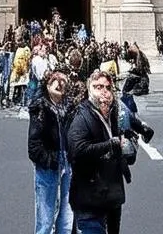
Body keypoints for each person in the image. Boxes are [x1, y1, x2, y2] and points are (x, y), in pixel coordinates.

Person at [67, 71, 128, 234]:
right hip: (90, 196)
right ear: (89, 90)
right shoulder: (82, 116)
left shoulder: (112, 114)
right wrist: (109, 145)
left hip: (111, 196)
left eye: (108, 87)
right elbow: (77, 151)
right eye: (98, 87)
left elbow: (116, 148)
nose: (104, 91)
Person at [29, 70, 74, 234]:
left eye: (63, 80)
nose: (60, 83)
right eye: (55, 79)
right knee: (46, 220)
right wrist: (51, 160)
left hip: (68, 164)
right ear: (47, 85)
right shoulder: (40, 108)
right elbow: (33, 147)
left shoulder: (70, 107)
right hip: (49, 166)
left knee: (67, 220)